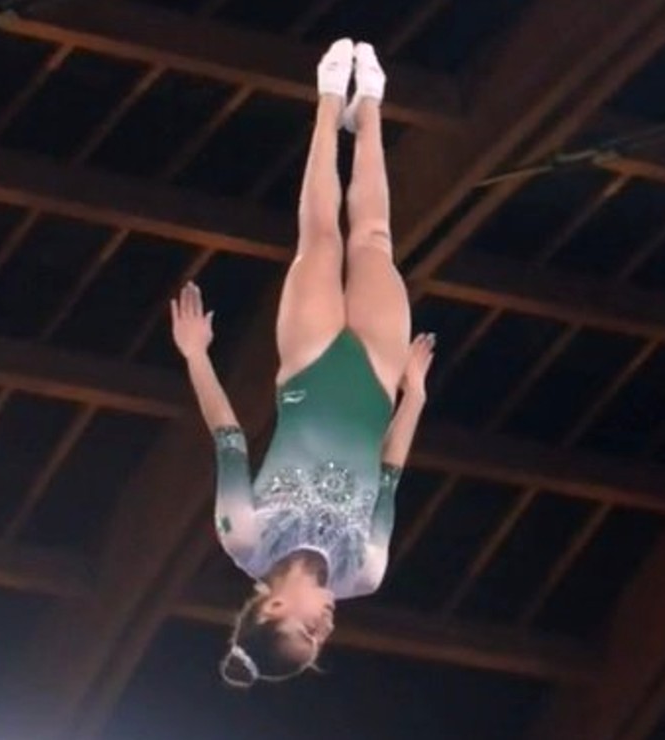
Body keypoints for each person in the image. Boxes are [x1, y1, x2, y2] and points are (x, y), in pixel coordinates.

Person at [170, 38, 435, 688]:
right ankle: (369, 106)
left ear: (275, 605)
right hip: (376, 379)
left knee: (320, 234)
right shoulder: (363, 571)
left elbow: (229, 437)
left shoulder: (245, 536)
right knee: (373, 237)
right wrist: (414, 396)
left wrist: (196, 356)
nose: (328, 627)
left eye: (308, 629)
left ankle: (326, 100)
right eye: (323, 639)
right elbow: (391, 475)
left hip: (311, 368)